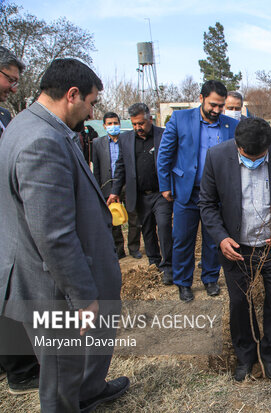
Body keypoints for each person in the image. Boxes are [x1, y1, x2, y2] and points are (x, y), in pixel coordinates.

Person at [0, 58, 129, 412]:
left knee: (73, 363)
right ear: (72, 95)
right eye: (91, 102)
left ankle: (88, 391)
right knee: (61, 367)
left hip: (44, 273)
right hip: (51, 286)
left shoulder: (30, 124)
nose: (92, 113)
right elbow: (53, 234)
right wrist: (83, 296)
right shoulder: (41, 142)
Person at [199, 117, 271, 381]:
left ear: (269, 146)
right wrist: (222, 238)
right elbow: (207, 204)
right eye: (249, 156)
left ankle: (270, 355)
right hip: (236, 247)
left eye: (261, 156)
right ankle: (245, 356)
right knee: (239, 303)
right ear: (237, 146)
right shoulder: (217, 157)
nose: (255, 161)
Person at [158, 80, 239, 302]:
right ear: (201, 98)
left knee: (214, 239)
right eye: (213, 104)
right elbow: (165, 154)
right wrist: (165, 185)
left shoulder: (229, 125)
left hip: (216, 194)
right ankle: (183, 282)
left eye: (221, 106)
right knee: (183, 239)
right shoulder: (180, 119)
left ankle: (210, 278)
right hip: (187, 192)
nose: (217, 110)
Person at [0, 45, 40, 396]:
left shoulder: (2, 115)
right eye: (9, 79)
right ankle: (21, 370)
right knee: (9, 290)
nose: (13, 87)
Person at [108, 103, 173, 284]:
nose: (138, 128)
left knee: (165, 227)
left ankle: (168, 266)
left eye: (141, 123)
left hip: (162, 194)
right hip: (140, 195)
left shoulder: (163, 135)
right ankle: (154, 263)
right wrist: (115, 192)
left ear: (150, 119)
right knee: (147, 230)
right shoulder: (126, 139)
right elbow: (120, 167)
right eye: (135, 124)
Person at [92, 112, 141, 259]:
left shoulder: (127, 140)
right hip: (108, 185)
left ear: (119, 124)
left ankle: (134, 247)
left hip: (128, 184)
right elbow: (97, 168)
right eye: (109, 124)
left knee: (134, 216)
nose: (113, 126)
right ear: (104, 126)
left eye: (115, 123)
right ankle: (118, 249)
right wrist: (98, 188)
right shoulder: (97, 143)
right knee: (114, 218)